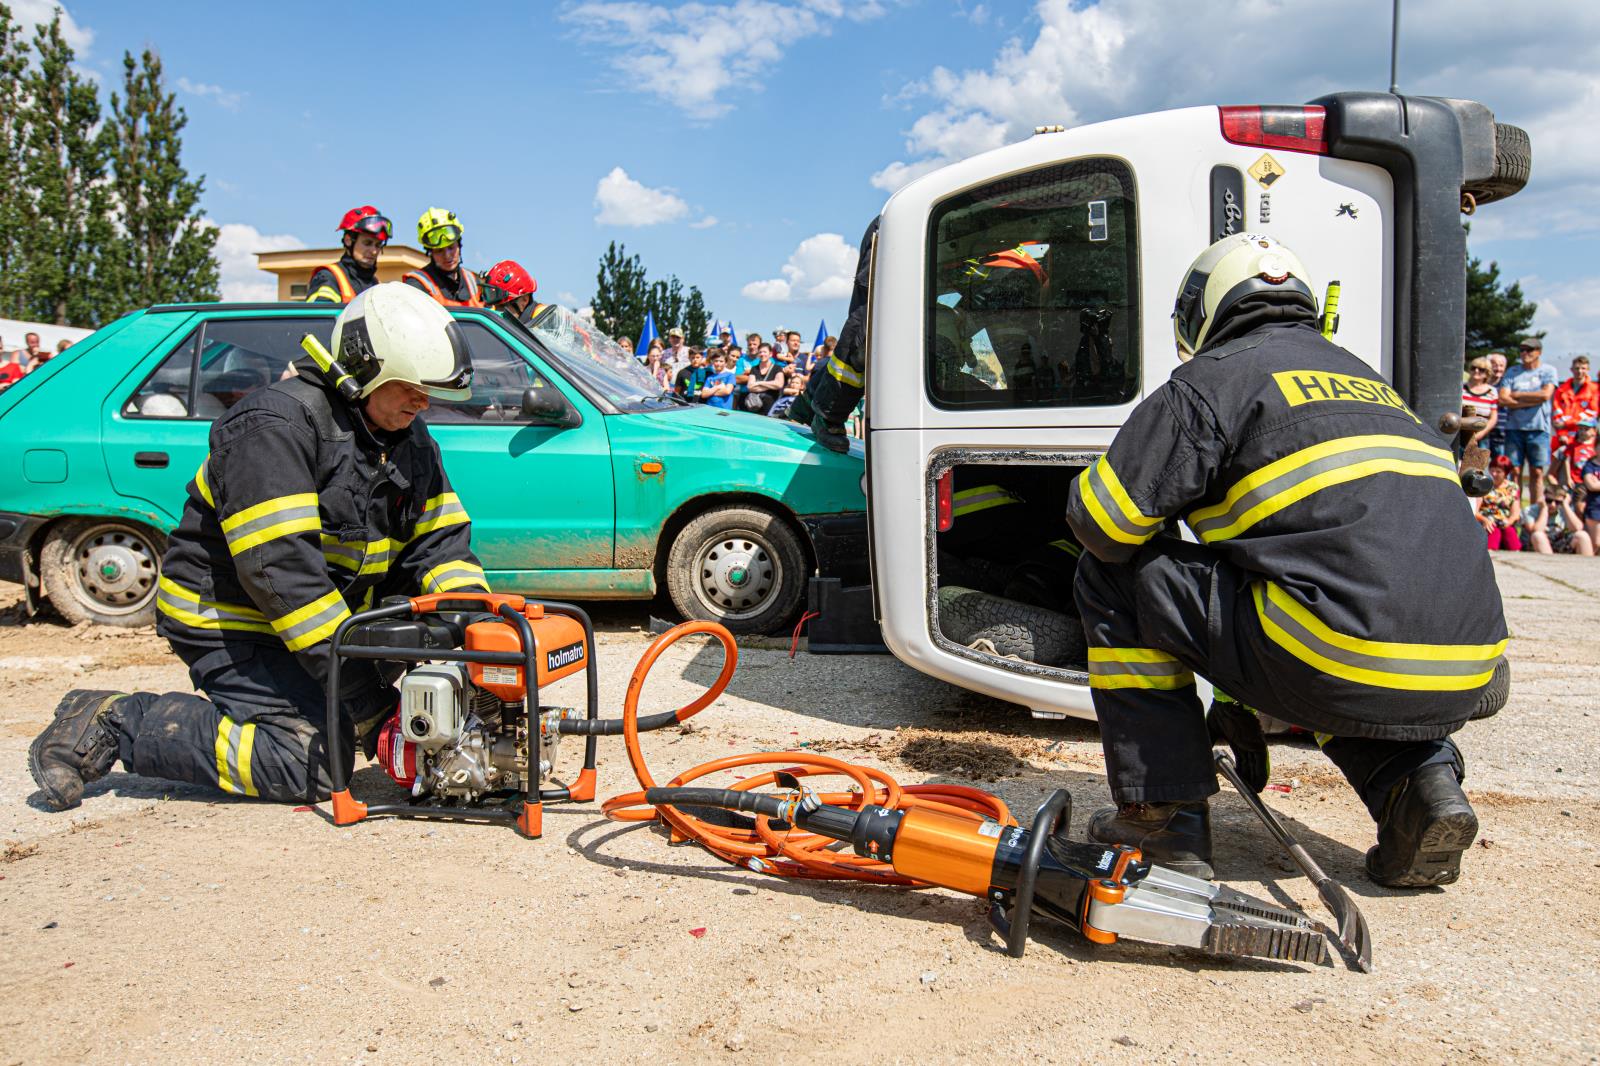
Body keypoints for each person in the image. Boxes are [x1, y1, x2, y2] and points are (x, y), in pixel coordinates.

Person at [1063, 233, 1506, 889]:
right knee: (1329, 629)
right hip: (1473, 666)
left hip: (1331, 647)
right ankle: (1419, 785)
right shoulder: (1372, 385)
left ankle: (1161, 814)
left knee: (1112, 578)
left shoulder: (1212, 380)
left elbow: (1103, 525)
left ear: (1201, 310)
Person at [28, 283, 487, 811]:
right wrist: (363, 694)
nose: (422, 401)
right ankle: (115, 720)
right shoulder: (274, 426)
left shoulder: (407, 439)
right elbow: (281, 577)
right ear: (364, 368)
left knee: (434, 711)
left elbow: (443, 544)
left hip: (318, 627)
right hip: (231, 620)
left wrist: (475, 623)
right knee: (312, 760)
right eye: (410, 386)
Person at [1498, 337, 1558, 507]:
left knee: (1537, 472)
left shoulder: (1548, 371)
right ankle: (1515, 509)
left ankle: (1534, 510)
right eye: (1522, 350)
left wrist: (1515, 395)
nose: (1524, 353)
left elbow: (1545, 395)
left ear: (1539, 352)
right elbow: (1502, 398)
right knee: (1514, 470)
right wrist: (1531, 400)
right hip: (1514, 428)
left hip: (1538, 429)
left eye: (1529, 350)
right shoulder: (1513, 371)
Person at [306, 206, 392, 303]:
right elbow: (320, 317)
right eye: (367, 243)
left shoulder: (375, 284)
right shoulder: (328, 277)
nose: (374, 251)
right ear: (348, 240)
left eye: (378, 245)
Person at [403, 208, 483, 307]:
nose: (447, 256)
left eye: (451, 247)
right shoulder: (416, 284)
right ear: (430, 252)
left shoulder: (474, 282)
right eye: (439, 251)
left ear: (459, 246)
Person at [1551, 355, 1598, 483]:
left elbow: (1591, 414)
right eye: (1577, 368)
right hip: (1563, 439)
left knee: (1584, 473)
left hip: (1583, 438)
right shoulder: (1562, 389)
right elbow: (1557, 413)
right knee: (1560, 476)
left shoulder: (1594, 389)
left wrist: (1567, 423)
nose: (1580, 371)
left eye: (1583, 368)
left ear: (1588, 370)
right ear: (1571, 369)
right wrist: (1562, 433)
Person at [1523, 478, 1594, 556]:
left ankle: (1587, 567)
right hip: (1537, 544)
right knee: (1537, 535)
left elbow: (1577, 528)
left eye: (1557, 502)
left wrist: (1565, 505)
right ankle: (1549, 565)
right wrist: (1544, 508)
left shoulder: (1565, 509)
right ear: (1543, 498)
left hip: (1558, 542)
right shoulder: (1530, 510)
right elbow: (1536, 530)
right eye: (1549, 500)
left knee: (1582, 535)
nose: (1553, 505)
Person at [1478, 454, 1522, 551]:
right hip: (1488, 521)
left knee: (1512, 540)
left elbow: (1516, 513)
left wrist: (1509, 521)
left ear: (1506, 473)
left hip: (1504, 521)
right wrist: (1484, 520)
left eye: (1498, 472)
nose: (1494, 474)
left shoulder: (1513, 488)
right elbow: (1475, 511)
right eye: (1492, 470)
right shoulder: (1483, 485)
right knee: (1494, 533)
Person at [1461, 356, 1498, 448]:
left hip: (1482, 436)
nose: (1476, 371)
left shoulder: (1492, 391)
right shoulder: (1461, 388)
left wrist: (1481, 433)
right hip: (1461, 433)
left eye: (1481, 369)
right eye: (1473, 368)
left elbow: (1493, 417)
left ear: (1487, 373)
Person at [742, 344, 787, 415]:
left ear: (770, 354)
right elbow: (750, 387)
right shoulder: (754, 369)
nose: (762, 354)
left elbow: (779, 384)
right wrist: (771, 385)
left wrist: (759, 383)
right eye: (760, 352)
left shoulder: (777, 368)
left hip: (772, 406)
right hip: (755, 404)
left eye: (765, 352)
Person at [1484, 351, 1508, 457]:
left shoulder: (1507, 385)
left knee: (1500, 465)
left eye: (1501, 365)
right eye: (1495, 365)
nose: (1498, 368)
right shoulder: (1481, 384)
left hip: (1501, 432)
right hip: (1483, 432)